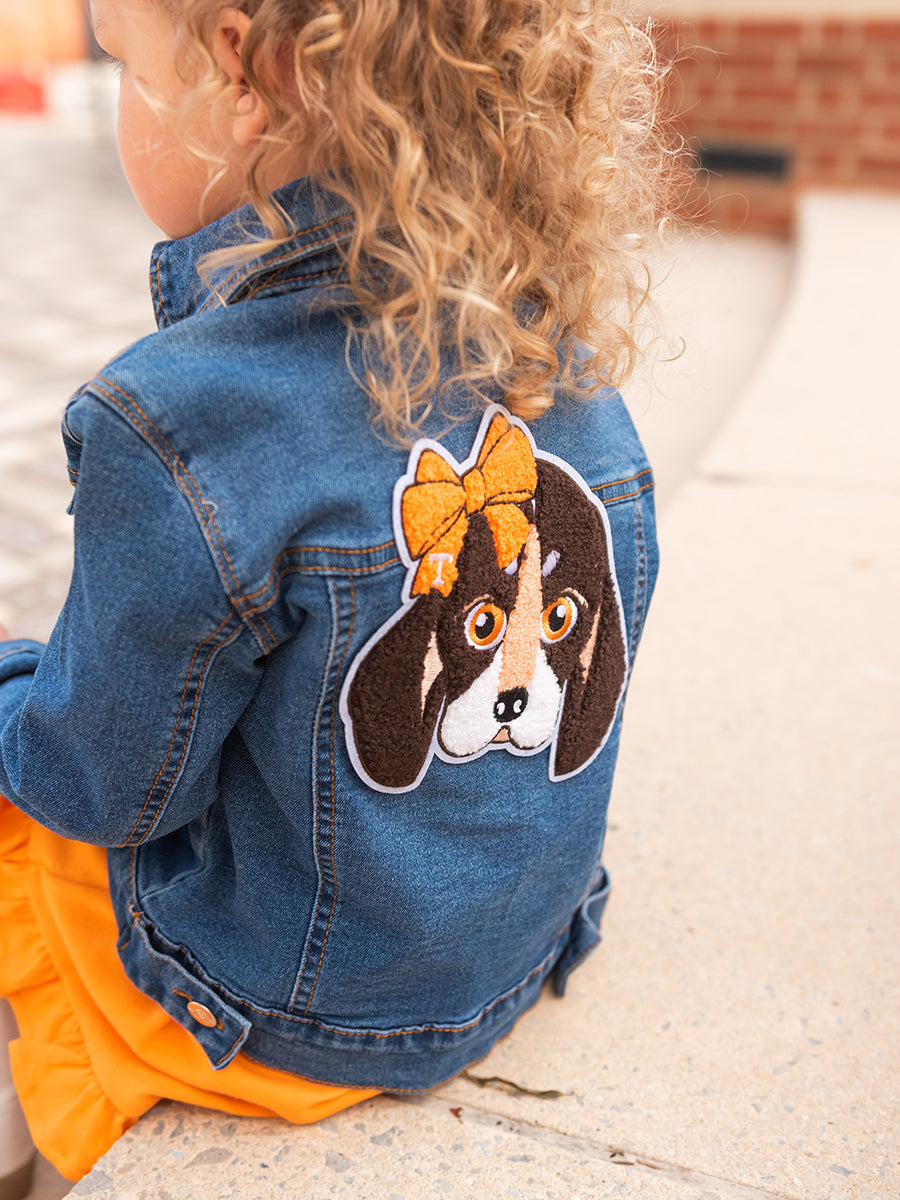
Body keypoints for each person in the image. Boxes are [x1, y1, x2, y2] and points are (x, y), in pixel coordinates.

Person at [0, 0, 663, 1188]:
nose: (118, 115)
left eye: (127, 71)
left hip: (292, 1014)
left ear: (241, 72)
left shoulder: (179, 422)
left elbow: (97, 786)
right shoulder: (568, 362)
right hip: (514, 954)